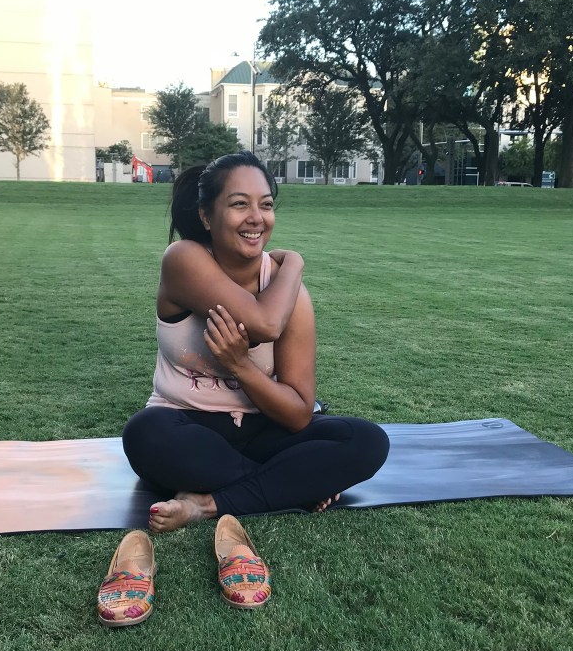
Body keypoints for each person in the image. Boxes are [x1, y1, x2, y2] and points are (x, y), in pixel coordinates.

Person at [122, 151, 390, 534]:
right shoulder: (184, 258)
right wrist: (295, 263)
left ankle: (207, 504)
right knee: (144, 433)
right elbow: (265, 324)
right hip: (185, 425)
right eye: (239, 204)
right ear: (206, 216)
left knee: (366, 441)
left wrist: (241, 366)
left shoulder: (290, 293)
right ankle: (287, 486)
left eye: (265, 205)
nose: (256, 218)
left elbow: (298, 414)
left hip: (263, 431)